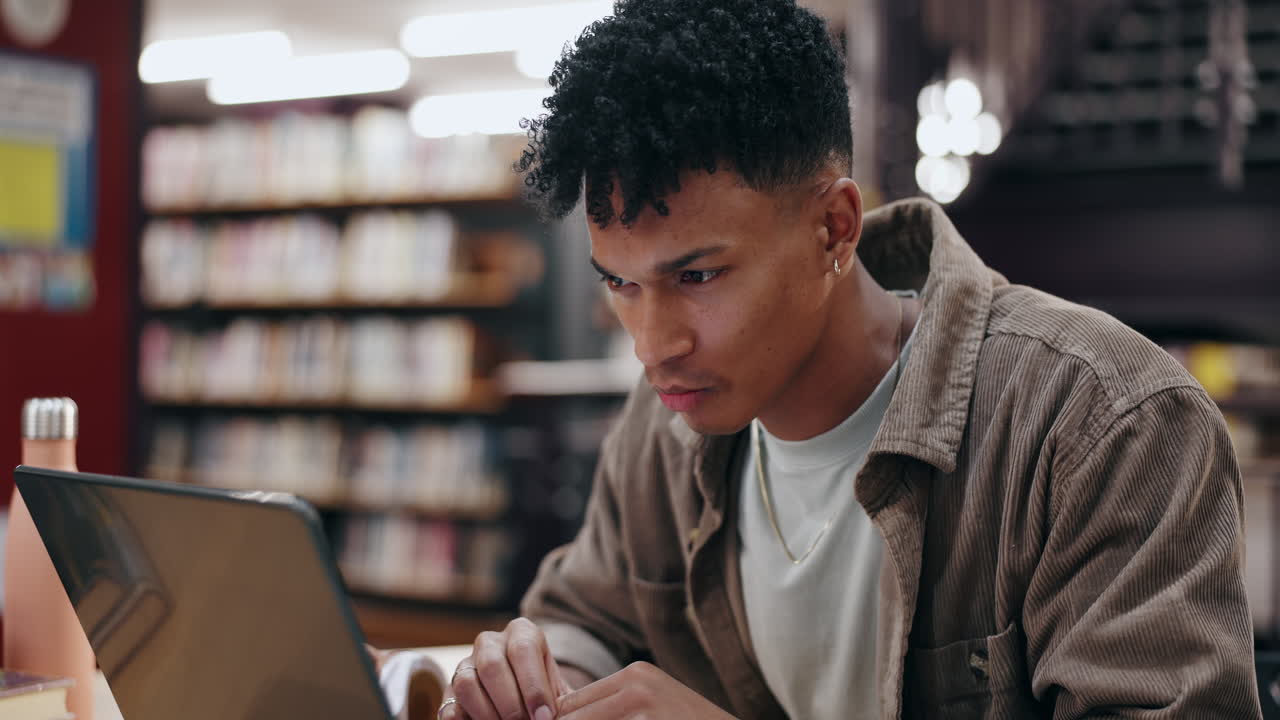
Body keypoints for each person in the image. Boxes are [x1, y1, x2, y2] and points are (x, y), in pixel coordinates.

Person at [433, 0, 1262, 718]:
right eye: (621, 283)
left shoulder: (1101, 422)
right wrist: (541, 678)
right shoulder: (664, 424)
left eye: (697, 276)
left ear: (833, 228)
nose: (653, 345)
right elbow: (590, 615)